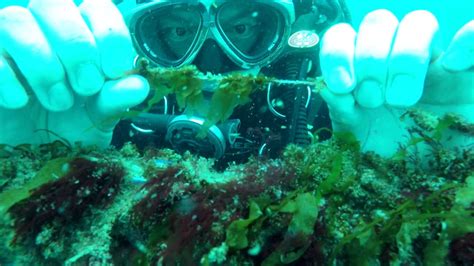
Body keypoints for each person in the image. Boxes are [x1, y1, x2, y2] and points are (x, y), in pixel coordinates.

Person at [0, 0, 472, 163]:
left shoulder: (344, 111)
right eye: (178, 30)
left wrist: (431, 153)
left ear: (288, 31)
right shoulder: (85, 107)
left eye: (245, 27)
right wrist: (25, 152)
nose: (211, 62)